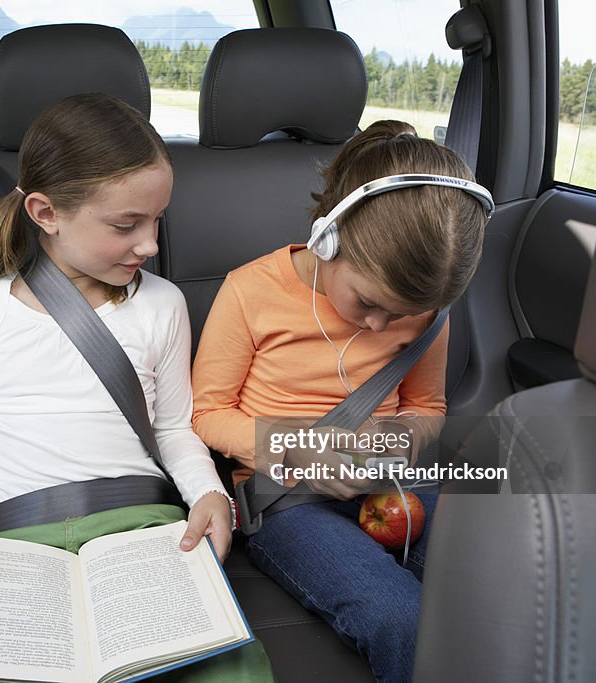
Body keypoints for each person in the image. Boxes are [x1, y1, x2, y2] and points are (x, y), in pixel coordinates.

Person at [0, 93, 273, 682]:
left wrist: (209, 494)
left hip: (145, 532)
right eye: (126, 225)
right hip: (8, 543)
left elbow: (173, 427)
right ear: (46, 213)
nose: (149, 245)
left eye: (156, 222)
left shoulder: (162, 304)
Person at [191, 120, 490, 683]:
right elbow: (207, 413)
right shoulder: (250, 290)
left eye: (399, 316)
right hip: (286, 497)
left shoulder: (423, 311)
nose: (381, 324)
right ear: (327, 236)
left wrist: (393, 442)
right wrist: (299, 448)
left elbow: (427, 407)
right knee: (401, 618)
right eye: (370, 303)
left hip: (390, 482)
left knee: (492, 583)